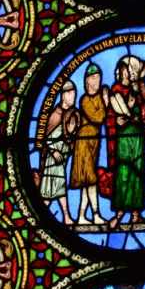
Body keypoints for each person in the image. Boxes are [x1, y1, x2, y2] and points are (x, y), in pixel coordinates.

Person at [104, 56, 145, 228]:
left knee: (137, 173)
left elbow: (144, 113)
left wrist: (136, 113)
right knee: (122, 173)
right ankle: (119, 213)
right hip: (122, 138)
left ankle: (136, 214)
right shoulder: (115, 90)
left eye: (128, 70)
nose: (126, 73)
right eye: (123, 70)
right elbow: (110, 116)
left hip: (137, 137)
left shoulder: (136, 91)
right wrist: (116, 121)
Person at [71, 65, 108, 224]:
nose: (97, 80)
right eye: (93, 78)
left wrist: (104, 101)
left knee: (88, 181)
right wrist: (105, 101)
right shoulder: (85, 99)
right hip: (84, 141)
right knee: (90, 180)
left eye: (98, 77)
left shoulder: (99, 98)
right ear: (87, 81)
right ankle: (96, 214)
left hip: (95, 142)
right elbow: (98, 117)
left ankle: (81, 216)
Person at [38, 80, 77, 220]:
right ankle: (66, 217)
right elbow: (45, 137)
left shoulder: (71, 113)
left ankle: (41, 216)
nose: (73, 97)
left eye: (74, 94)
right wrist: (53, 151)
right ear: (63, 95)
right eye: (70, 94)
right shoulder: (55, 114)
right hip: (53, 157)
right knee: (56, 185)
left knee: (50, 189)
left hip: (62, 156)